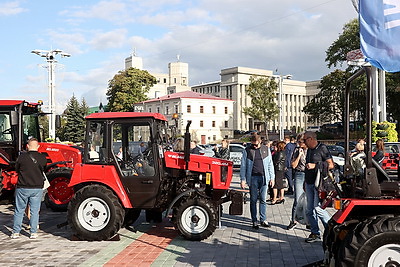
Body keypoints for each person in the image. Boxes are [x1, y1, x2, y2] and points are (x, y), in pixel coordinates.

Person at [11, 138, 47, 239]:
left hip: (23, 187)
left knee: (19, 210)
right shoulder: (42, 158)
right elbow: (45, 169)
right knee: (35, 211)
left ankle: (16, 232)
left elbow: (16, 169)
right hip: (37, 188)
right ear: (38, 146)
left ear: (27, 146)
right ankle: (33, 232)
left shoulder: (21, 158)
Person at [303, 131, 334, 243]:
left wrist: (315, 166)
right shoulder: (309, 150)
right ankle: (315, 233)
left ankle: (331, 229)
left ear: (311, 139)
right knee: (309, 210)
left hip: (319, 184)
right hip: (309, 182)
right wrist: (305, 182)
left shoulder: (322, 148)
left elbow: (331, 164)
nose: (304, 142)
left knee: (318, 209)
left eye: (305, 140)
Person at [240, 134, 275, 229]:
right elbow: (243, 166)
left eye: (256, 144)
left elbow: (270, 165)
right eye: (252, 144)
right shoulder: (247, 150)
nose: (254, 146)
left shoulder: (266, 149)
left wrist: (272, 178)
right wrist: (243, 179)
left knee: (263, 199)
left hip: (264, 177)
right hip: (253, 178)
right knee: (253, 200)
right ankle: (254, 220)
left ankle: (263, 219)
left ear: (260, 142)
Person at [287, 134, 307, 230]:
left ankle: (309, 221)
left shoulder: (311, 150)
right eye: (298, 142)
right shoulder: (296, 150)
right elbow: (293, 165)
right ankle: (293, 220)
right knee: (297, 199)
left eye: (301, 142)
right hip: (299, 174)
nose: (299, 144)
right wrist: (299, 155)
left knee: (309, 200)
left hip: (309, 175)